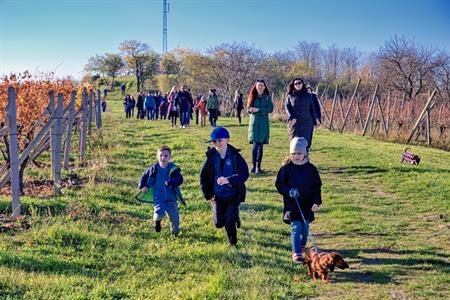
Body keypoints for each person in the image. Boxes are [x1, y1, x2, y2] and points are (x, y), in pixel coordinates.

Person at [275, 137, 322, 263]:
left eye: (299, 153)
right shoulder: (286, 169)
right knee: (296, 228)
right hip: (292, 205)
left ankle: (302, 245)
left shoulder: (311, 169)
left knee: (305, 228)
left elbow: (317, 186)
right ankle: (296, 253)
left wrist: (316, 202)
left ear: (305, 153)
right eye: (293, 153)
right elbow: (279, 185)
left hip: (307, 205)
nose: (296, 156)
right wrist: (288, 191)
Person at [200, 127, 249, 247]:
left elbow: (244, 174)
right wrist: (208, 194)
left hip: (233, 195)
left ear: (227, 139)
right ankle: (231, 216)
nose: (217, 144)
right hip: (217, 196)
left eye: (220, 140)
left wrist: (229, 180)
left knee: (229, 221)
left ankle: (232, 243)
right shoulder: (211, 157)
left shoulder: (235, 156)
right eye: (214, 141)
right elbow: (203, 177)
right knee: (218, 223)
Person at [139, 145, 184, 236]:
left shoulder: (173, 169)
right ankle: (157, 222)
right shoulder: (153, 169)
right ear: (157, 156)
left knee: (174, 218)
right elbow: (144, 176)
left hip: (171, 199)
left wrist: (171, 181)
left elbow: (180, 179)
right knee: (159, 213)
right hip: (159, 198)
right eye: (161, 155)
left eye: (166, 156)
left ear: (170, 157)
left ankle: (175, 233)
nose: (163, 158)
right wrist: (142, 185)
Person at [247, 80, 273, 174]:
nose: (260, 87)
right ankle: (253, 166)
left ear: (264, 87)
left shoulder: (267, 98)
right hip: (254, 124)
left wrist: (258, 110)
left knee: (260, 146)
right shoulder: (252, 96)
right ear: (256, 86)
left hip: (263, 124)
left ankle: (259, 167)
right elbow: (248, 109)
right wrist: (252, 110)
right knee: (255, 145)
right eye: (259, 85)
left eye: (262, 85)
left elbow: (270, 109)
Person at [285, 78, 317, 146]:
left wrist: (314, 123)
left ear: (302, 84)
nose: (297, 85)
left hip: (307, 124)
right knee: (294, 144)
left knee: (305, 144)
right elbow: (287, 107)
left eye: (299, 83)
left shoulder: (308, 96)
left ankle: (305, 156)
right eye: (295, 84)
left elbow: (312, 109)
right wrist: (291, 117)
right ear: (293, 85)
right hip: (294, 124)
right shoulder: (290, 96)